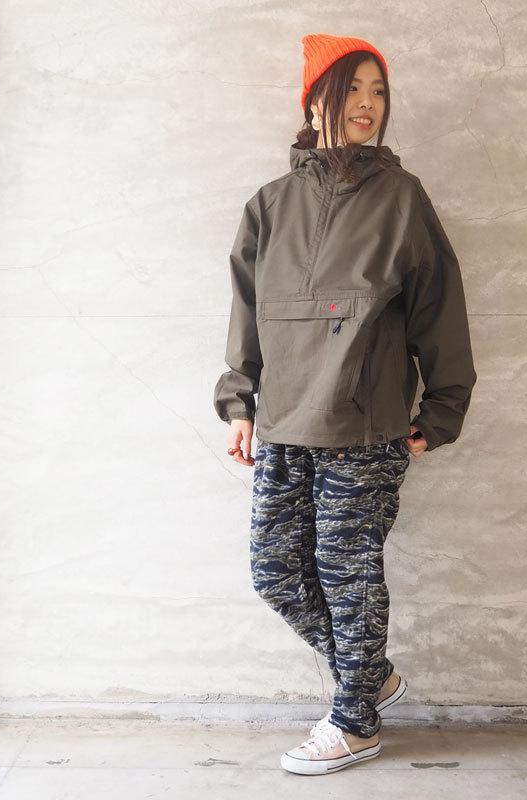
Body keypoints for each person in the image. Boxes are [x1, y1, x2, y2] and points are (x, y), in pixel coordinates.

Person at [213, 32, 477, 775]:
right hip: (284, 421)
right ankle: (371, 677)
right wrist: (240, 403)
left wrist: (442, 412)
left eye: (379, 91)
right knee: (275, 571)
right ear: (315, 102)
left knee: (346, 574)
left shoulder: (402, 198)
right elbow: (246, 313)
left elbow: (440, 311)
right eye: (352, 88)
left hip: (365, 425)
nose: (368, 104)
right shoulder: (269, 205)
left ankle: (356, 721)